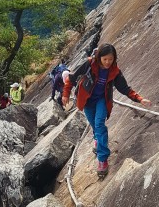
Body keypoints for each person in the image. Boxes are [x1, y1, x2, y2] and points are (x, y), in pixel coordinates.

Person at [61, 43, 151, 176]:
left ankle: (102, 159)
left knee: (99, 125)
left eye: (111, 59)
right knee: (94, 126)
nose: (108, 62)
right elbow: (71, 78)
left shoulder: (114, 71)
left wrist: (139, 99)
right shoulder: (90, 64)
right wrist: (65, 94)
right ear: (99, 58)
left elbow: (124, 88)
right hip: (86, 100)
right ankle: (97, 139)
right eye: (105, 59)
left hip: (102, 100)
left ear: (114, 58)